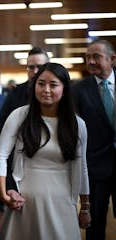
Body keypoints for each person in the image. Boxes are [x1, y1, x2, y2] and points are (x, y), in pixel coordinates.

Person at [0, 62, 91, 239]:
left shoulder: (78, 124)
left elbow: (82, 167)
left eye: (53, 85)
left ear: (64, 89)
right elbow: (0, 156)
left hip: (63, 200)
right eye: (41, 83)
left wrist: (85, 207)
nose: (46, 89)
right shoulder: (19, 116)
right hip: (26, 200)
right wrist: (3, 194)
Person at [72, 39, 116, 240]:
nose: (90, 61)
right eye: (87, 57)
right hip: (95, 167)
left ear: (112, 59)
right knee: (95, 224)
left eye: (96, 56)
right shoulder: (78, 90)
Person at [0, 47, 50, 205]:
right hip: (21, 165)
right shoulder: (15, 94)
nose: (34, 71)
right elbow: (1, 129)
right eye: (30, 67)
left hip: (51, 164)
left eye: (39, 67)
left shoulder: (59, 93)